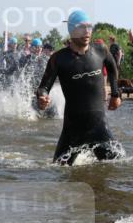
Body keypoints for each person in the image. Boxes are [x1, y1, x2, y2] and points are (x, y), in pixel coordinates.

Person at [35, 11, 121, 164]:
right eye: (82, 28)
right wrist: (42, 97)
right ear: (72, 30)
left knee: (118, 166)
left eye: (89, 27)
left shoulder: (101, 50)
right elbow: (43, 87)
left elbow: (113, 69)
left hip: (99, 127)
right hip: (72, 130)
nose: (87, 31)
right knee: (57, 171)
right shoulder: (59, 58)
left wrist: (115, 94)